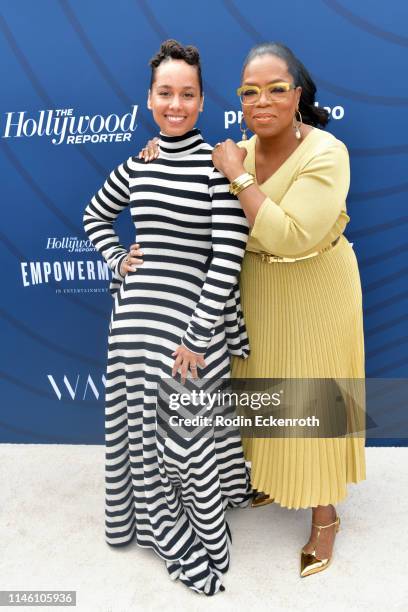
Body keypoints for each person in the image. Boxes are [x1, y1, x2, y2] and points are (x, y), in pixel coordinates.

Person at [140, 42, 366, 578]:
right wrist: (159, 151)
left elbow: (291, 235)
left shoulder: (326, 152)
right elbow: (192, 187)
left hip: (316, 285)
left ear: (299, 95)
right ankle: (277, 478)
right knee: (264, 388)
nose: (261, 100)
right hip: (257, 289)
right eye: (249, 91)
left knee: (316, 396)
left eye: (276, 89)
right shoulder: (237, 147)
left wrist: (239, 177)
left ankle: (325, 515)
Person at [82, 39, 251, 596]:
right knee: (136, 416)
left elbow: (228, 256)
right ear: (148, 99)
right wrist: (116, 255)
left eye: (187, 94)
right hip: (133, 320)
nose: (174, 104)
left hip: (191, 322)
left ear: (203, 102)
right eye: (164, 93)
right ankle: (147, 520)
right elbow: (95, 216)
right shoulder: (139, 163)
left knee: (184, 421)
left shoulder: (218, 165)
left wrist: (199, 336)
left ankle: (202, 527)